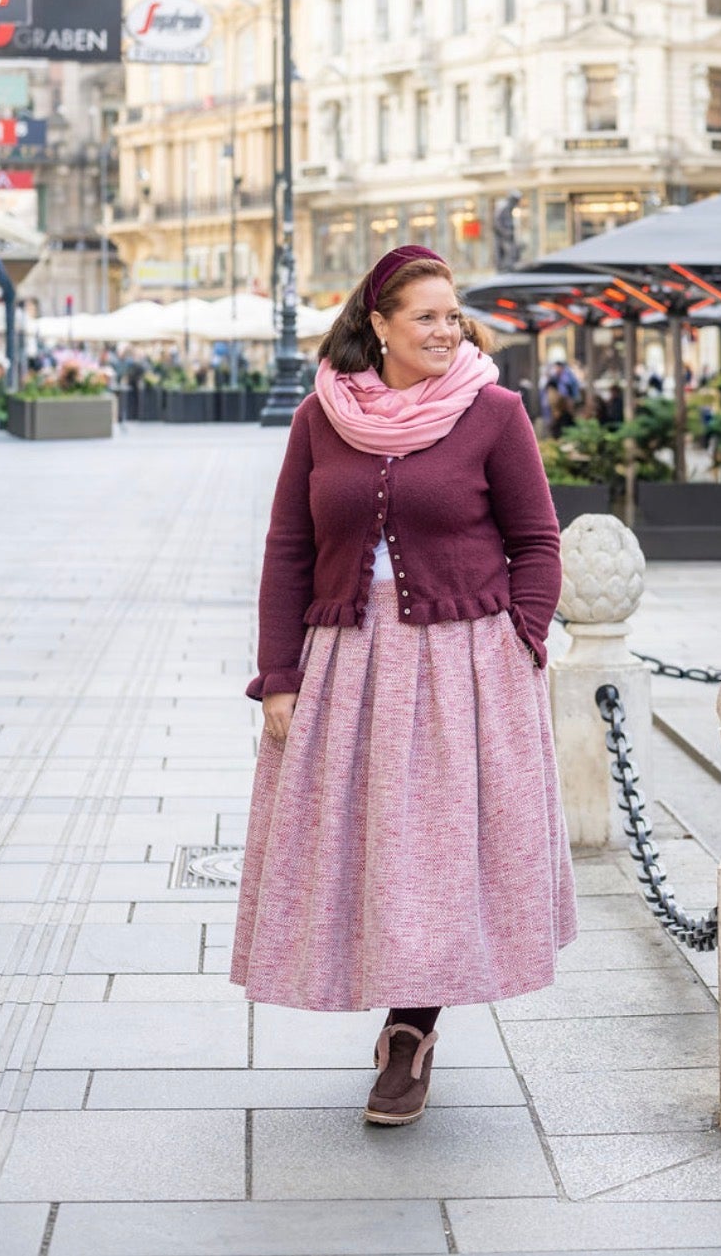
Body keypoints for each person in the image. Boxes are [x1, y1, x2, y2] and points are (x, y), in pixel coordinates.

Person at [231, 243, 576, 1126]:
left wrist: (521, 640)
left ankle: (409, 1032)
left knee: (437, 854)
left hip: (462, 662)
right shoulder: (322, 415)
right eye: (424, 316)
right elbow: (287, 551)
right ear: (376, 325)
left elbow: (538, 541)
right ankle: (387, 996)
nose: (443, 329)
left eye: (451, 315)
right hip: (348, 657)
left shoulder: (493, 411)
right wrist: (278, 675)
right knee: (365, 849)